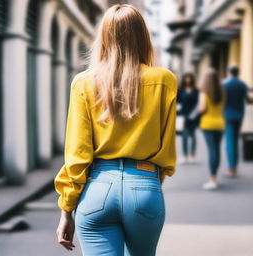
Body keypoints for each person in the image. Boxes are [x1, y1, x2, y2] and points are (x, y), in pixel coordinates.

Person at [54, 4, 177, 256]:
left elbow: (78, 152)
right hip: (145, 185)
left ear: (104, 37)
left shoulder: (83, 82)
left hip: (96, 188)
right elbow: (167, 147)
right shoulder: (165, 80)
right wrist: (149, 183)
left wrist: (67, 209)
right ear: (143, 37)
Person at [223, 66, 253, 177]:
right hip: (239, 115)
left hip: (228, 115)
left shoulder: (225, 85)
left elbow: (222, 99)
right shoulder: (242, 84)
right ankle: (234, 166)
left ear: (229, 72)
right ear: (238, 72)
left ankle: (231, 168)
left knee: (230, 142)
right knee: (235, 140)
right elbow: (249, 99)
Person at [198, 68, 225, 190]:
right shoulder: (222, 93)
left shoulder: (204, 93)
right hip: (220, 124)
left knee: (212, 150)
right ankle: (214, 177)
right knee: (217, 150)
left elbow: (202, 109)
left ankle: (212, 179)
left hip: (208, 124)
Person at [177, 73, 199, 164]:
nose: (188, 80)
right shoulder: (181, 90)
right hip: (183, 115)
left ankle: (192, 154)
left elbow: (198, 102)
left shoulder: (195, 91)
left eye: (189, 78)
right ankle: (185, 156)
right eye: (186, 78)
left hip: (193, 116)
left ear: (192, 79)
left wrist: (196, 113)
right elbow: (177, 102)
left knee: (193, 135)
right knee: (184, 136)